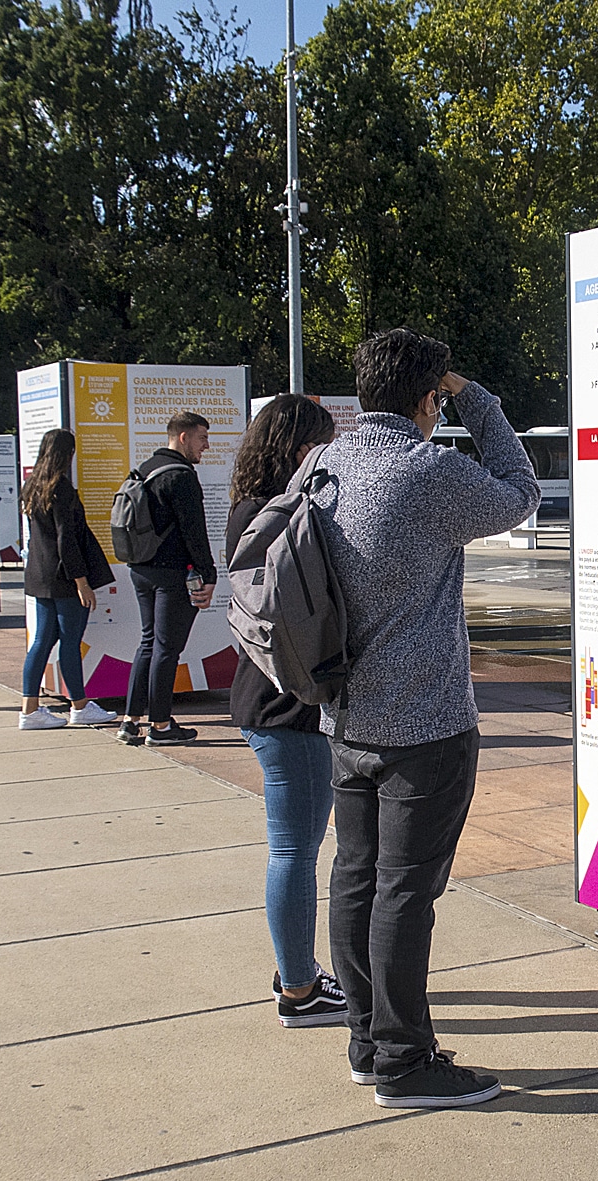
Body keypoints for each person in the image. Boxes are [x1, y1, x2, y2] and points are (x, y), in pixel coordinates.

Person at [313, 329, 539, 1109]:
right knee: (405, 894)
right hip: (424, 724)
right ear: (426, 397)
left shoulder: (325, 464)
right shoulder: (426, 470)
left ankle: (367, 1040)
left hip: (344, 715)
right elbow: (519, 488)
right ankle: (405, 1063)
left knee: (355, 879)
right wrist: (473, 396)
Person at [227, 395, 347, 1028]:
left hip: (260, 697)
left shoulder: (250, 510)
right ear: (304, 450)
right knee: (296, 851)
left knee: (291, 847)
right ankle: (300, 989)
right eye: (325, 444)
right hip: (290, 706)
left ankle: (293, 968)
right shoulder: (292, 514)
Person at [115, 411, 216, 747]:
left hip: (140, 569)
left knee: (149, 643)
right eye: (202, 437)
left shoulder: (143, 470)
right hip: (173, 574)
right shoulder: (181, 476)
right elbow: (195, 532)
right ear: (183, 437)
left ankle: (131, 721)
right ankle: (159, 725)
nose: (206, 445)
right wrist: (209, 574)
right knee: (167, 648)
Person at [19, 428, 119, 730]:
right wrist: (82, 583)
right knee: (70, 642)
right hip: (63, 579)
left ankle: (29, 709)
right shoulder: (61, 488)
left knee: (41, 642)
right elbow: (68, 541)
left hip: (40, 576)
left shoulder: (32, 487)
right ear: (68, 454)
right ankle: (79, 705)